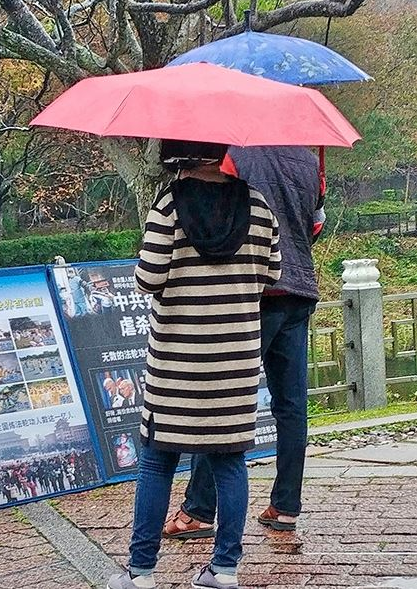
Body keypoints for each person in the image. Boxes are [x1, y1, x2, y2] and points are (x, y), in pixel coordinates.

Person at [108, 139, 281, 589]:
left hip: (176, 363)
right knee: (229, 463)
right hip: (236, 359)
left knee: (157, 463)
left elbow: (148, 279)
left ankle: (141, 572)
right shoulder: (258, 205)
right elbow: (272, 274)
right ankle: (224, 569)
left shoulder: (168, 205)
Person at [164, 145, 324, 537]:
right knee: (292, 406)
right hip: (299, 289)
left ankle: (199, 509)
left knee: (222, 400)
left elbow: (220, 218)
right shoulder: (309, 159)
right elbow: (316, 224)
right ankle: (285, 505)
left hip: (250, 293)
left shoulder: (234, 156)